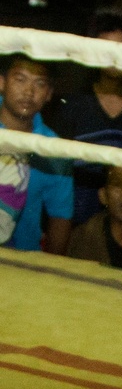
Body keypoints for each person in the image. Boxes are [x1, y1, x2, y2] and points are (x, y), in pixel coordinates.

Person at [55, 13, 122, 224]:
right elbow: (56, 177)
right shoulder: (72, 108)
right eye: (107, 50)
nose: (116, 57)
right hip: (73, 228)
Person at [0, 55, 73, 252]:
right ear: (2, 82)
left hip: (22, 264)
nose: (28, 92)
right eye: (20, 79)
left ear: (49, 93)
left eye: (39, 84)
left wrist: (50, 272)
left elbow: (61, 217)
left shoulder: (54, 149)